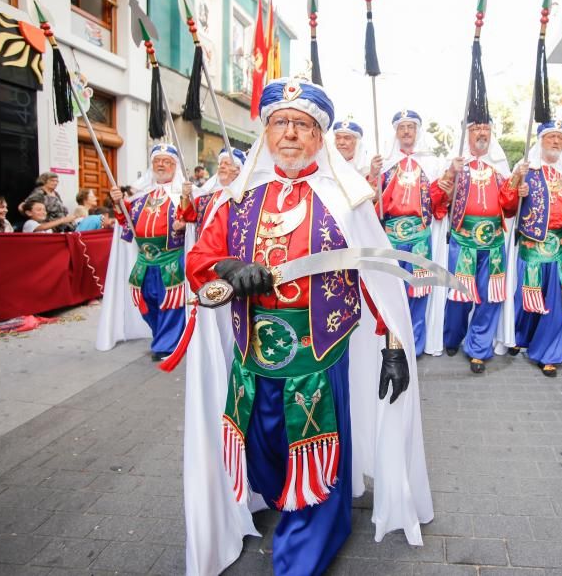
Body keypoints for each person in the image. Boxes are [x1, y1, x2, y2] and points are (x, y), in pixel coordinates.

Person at [182, 78, 430, 576]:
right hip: (254, 353)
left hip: (318, 352)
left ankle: (306, 546)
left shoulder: (346, 198)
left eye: (303, 125)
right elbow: (199, 260)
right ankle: (283, 499)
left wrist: (394, 344)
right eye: (280, 123)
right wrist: (228, 267)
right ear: (266, 133)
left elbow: (375, 276)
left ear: (320, 137)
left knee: (313, 453)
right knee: (265, 451)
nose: (291, 134)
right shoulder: (235, 197)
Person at [437, 116, 516, 374]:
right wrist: (451, 173)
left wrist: (518, 187)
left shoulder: (499, 171)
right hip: (463, 241)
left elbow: (510, 206)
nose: (481, 133)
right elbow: (437, 201)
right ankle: (452, 336)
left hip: (493, 243)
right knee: (459, 296)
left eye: (485, 129)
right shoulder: (457, 167)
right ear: (467, 134)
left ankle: (479, 349)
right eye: (476, 129)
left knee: (490, 297)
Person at [369, 109, 448, 357]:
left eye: (410, 127)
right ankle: (393, 343)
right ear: (395, 132)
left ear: (417, 131)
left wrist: (445, 187)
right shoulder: (385, 164)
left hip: (420, 237)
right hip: (391, 234)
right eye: (402, 127)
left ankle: (414, 345)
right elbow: (370, 199)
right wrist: (373, 174)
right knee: (392, 290)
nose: (406, 132)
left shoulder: (431, 164)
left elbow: (437, 205)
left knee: (419, 291)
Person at [107, 144, 193, 361]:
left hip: (171, 259)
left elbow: (193, 220)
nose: (161, 165)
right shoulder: (140, 196)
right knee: (146, 300)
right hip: (145, 260)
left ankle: (167, 346)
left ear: (175, 166)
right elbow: (124, 222)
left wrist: (185, 222)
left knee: (171, 304)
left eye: (167, 162)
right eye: (157, 161)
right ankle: (161, 336)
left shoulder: (184, 194)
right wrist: (118, 203)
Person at [511, 121, 562, 378]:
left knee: (557, 303)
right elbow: (508, 203)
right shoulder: (526, 170)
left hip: (561, 246)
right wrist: (519, 188)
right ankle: (521, 336)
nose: (556, 142)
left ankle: (548, 352)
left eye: (560, 138)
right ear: (540, 141)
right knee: (526, 297)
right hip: (532, 246)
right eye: (551, 137)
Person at [188, 148, 246, 236]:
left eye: (227, 164)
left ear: (238, 170)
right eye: (220, 163)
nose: (222, 166)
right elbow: (188, 216)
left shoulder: (244, 198)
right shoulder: (207, 196)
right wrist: (185, 196)